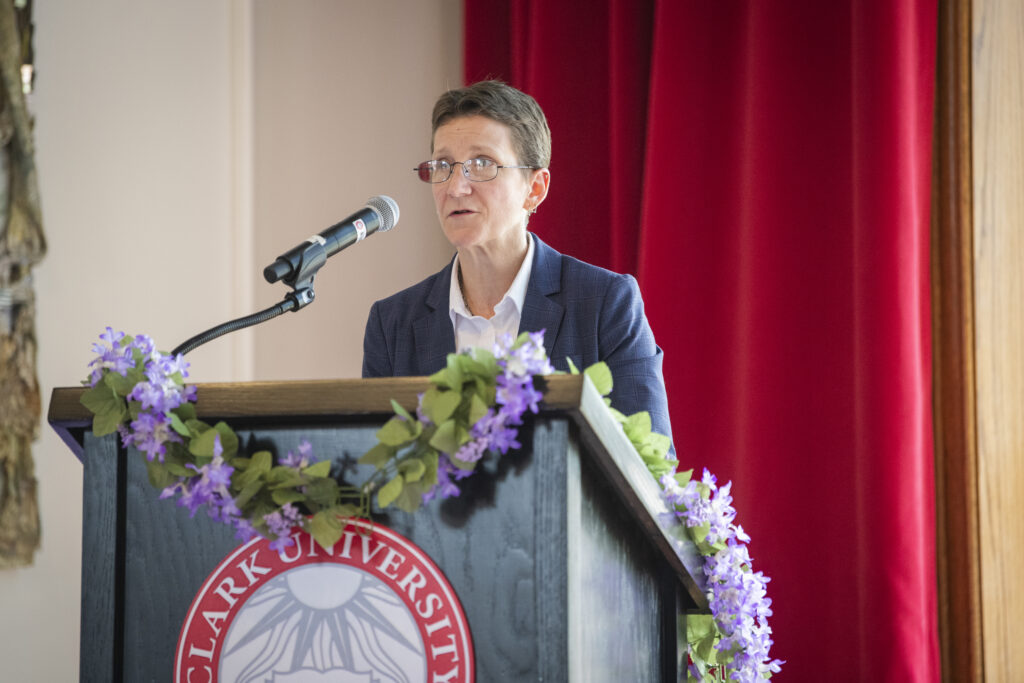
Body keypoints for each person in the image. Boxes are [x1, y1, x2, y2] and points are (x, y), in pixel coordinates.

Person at [362, 80, 672, 443]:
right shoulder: (393, 324)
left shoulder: (605, 303)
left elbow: (651, 466)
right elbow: (379, 470)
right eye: (443, 165)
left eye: (482, 164)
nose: (456, 187)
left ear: (535, 188)